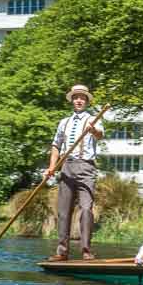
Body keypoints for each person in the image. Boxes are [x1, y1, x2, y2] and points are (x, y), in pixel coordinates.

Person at [44, 84, 105, 261]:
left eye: (82, 98)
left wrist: (92, 130)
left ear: (86, 101)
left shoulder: (93, 119)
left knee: (86, 208)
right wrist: (51, 167)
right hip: (66, 167)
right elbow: (56, 145)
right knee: (63, 211)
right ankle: (62, 252)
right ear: (72, 100)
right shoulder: (64, 122)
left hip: (86, 167)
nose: (79, 100)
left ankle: (86, 250)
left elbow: (100, 135)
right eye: (76, 97)